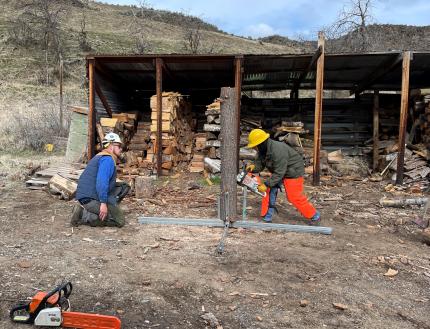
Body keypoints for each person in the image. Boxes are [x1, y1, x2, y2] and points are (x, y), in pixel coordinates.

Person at [246, 128, 320, 225]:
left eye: (255, 146)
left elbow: (279, 172)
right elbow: (260, 162)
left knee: (293, 197)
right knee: (268, 191)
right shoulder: (263, 149)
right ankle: (267, 217)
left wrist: (267, 184)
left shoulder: (277, 150)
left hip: (293, 171)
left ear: (261, 143)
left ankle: (314, 215)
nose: (254, 148)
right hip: (280, 170)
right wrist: (254, 167)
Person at [70, 132, 130, 227]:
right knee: (119, 221)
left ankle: (98, 209)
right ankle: (82, 215)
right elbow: (101, 182)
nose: (121, 149)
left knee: (123, 187)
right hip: (90, 198)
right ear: (111, 146)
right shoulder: (107, 159)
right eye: (118, 146)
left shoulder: (102, 156)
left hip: (89, 195)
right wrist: (103, 203)